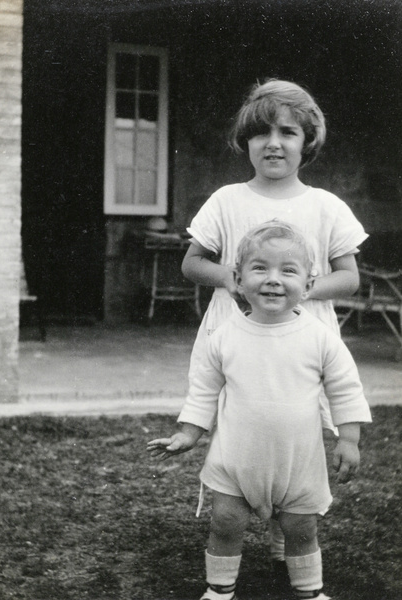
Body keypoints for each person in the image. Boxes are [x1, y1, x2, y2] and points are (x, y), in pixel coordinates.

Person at [180, 79, 368, 569]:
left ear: (307, 142)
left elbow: (349, 277)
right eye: (261, 133)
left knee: (297, 426)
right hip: (237, 330)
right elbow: (192, 262)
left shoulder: (325, 206)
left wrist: (304, 289)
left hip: (303, 336)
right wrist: (234, 280)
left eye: (288, 132)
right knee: (243, 424)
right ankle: (232, 521)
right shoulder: (227, 200)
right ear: (246, 142)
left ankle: (292, 529)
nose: (274, 143)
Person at [148, 222, 372, 600]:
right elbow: (204, 391)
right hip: (236, 459)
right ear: (237, 278)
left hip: (297, 461)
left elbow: (345, 389)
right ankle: (219, 589)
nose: (273, 280)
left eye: (288, 271)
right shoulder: (224, 338)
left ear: (309, 282)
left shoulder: (320, 339)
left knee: (301, 529)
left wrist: (348, 437)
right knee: (226, 523)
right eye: (259, 268)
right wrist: (188, 433)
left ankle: (308, 591)